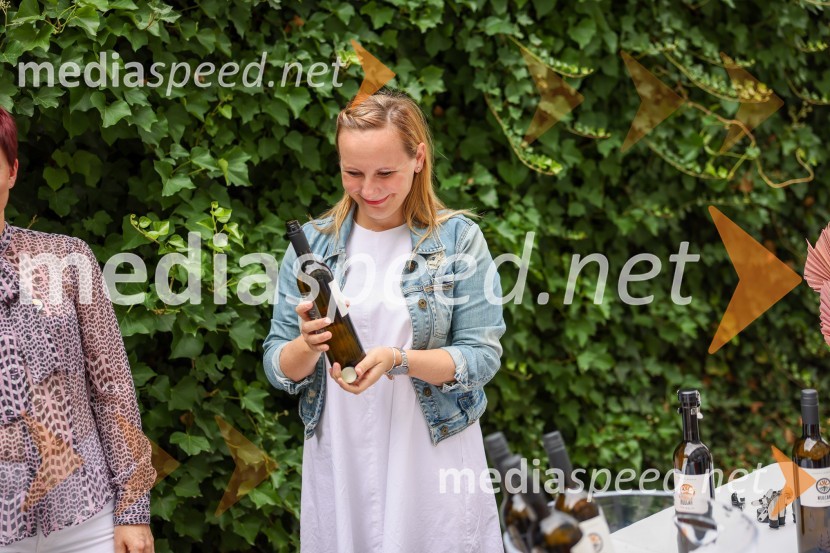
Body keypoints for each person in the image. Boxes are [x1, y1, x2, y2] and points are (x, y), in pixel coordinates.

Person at [263, 88, 507, 552]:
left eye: (385, 173)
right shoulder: (311, 245)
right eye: (352, 173)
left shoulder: (458, 239)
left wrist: (398, 359)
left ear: (418, 158)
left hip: (431, 451)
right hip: (341, 455)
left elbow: (481, 358)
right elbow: (278, 365)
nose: (369, 190)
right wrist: (307, 344)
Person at [0, 106, 155, 553]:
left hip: (88, 521)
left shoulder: (69, 259)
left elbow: (113, 389)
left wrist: (132, 510)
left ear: (12, 172)